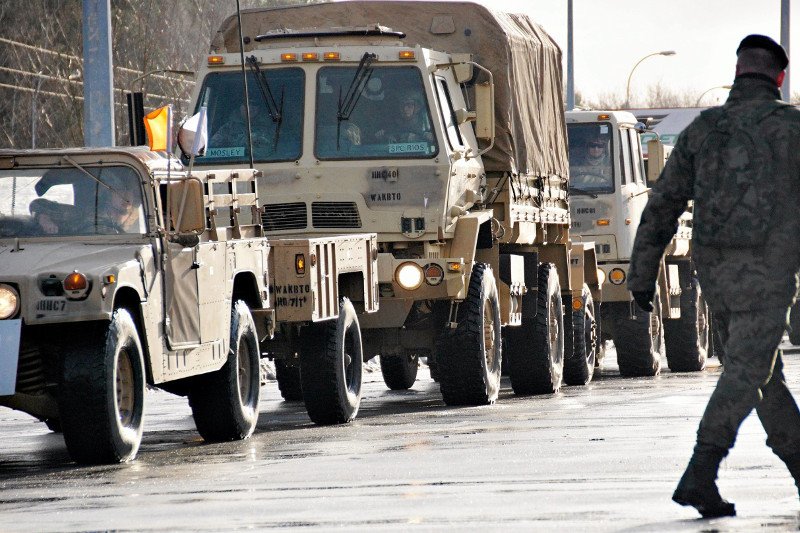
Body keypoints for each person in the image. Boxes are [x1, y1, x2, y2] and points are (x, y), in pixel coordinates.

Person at [628, 34, 800, 518]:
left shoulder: (705, 129)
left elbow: (662, 204)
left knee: (763, 377)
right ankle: (700, 472)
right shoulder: (792, 130)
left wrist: (643, 275)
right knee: (749, 372)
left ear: (738, 72)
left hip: (716, 278)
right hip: (769, 276)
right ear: (779, 77)